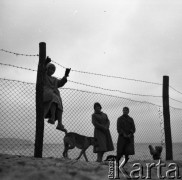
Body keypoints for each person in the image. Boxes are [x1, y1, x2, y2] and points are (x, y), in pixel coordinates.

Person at [43, 57, 70, 133]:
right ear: (47, 69)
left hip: (55, 95)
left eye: (53, 70)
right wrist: (45, 63)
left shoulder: (54, 79)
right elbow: (41, 71)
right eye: (50, 69)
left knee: (60, 105)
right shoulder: (44, 76)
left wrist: (65, 76)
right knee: (54, 97)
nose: (51, 71)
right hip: (46, 93)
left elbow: (60, 83)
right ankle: (52, 117)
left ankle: (60, 124)